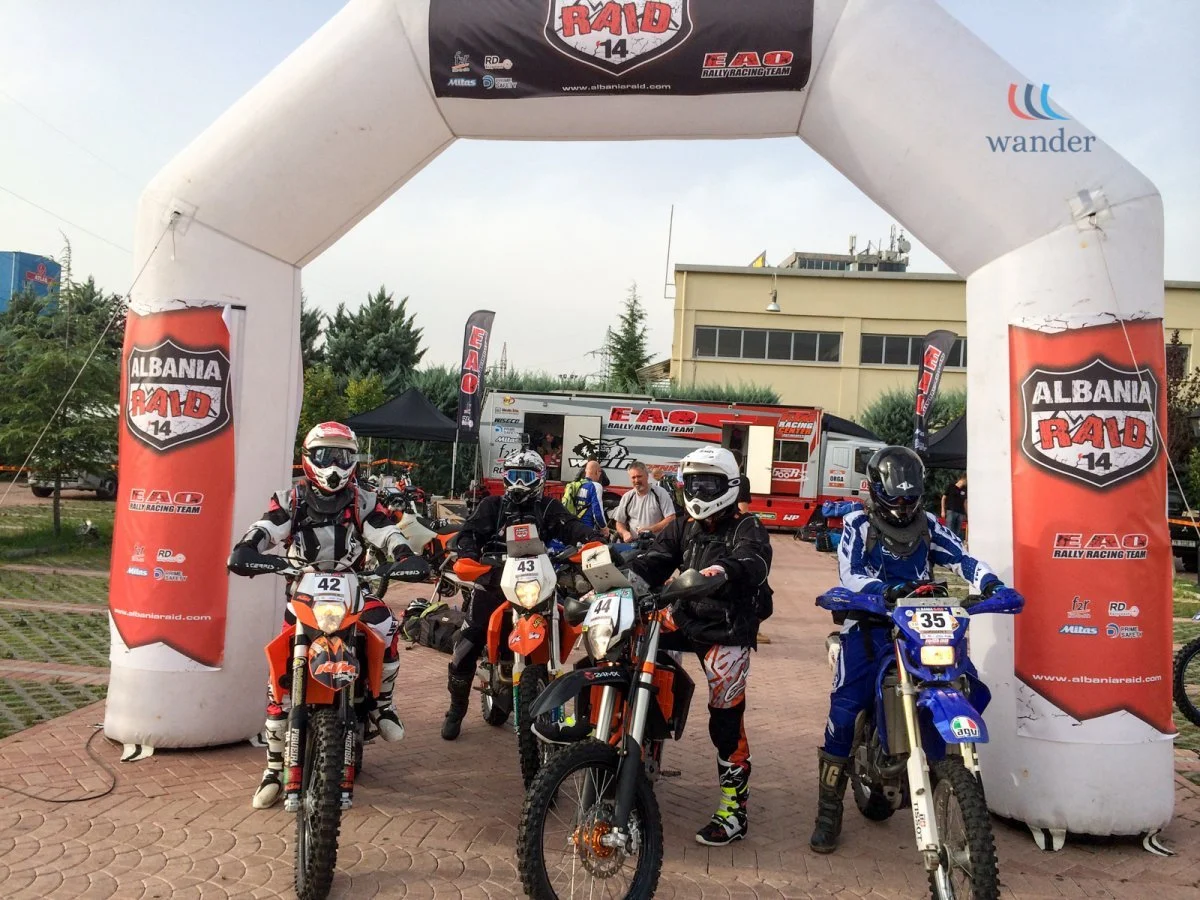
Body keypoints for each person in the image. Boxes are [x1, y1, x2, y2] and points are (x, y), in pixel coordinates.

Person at [810, 446, 1017, 854]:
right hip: (870, 626)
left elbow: (964, 559)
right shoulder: (857, 523)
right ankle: (827, 810)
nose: (904, 507)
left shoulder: (931, 525)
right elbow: (851, 574)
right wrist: (884, 591)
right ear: (875, 490)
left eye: (911, 498)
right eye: (896, 498)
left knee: (969, 683)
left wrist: (990, 584)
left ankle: (942, 762)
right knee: (845, 711)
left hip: (923, 626)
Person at [227, 422, 419, 810]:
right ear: (308, 458)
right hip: (303, 593)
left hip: (353, 587)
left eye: (342, 456)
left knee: (387, 626)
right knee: (278, 668)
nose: (334, 464)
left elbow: (385, 531)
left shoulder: (364, 499)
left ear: (354, 461)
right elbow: (265, 528)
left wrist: (403, 556)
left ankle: (382, 703)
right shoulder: (291, 499)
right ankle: (273, 767)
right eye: (324, 455)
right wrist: (250, 548)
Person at [624, 446, 772, 846]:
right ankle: (641, 747)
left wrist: (725, 569)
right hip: (684, 613)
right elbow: (653, 561)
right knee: (627, 646)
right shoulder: (684, 524)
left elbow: (755, 563)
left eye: (708, 483)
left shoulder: (748, 526)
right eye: (693, 483)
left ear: (729, 486)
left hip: (727, 626)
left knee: (725, 716)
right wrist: (616, 576)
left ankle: (734, 809)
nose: (699, 491)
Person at [440, 449, 601, 740]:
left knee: (570, 619)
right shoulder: (493, 505)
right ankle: (456, 708)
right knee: (468, 641)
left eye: (525, 476)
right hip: (494, 581)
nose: (519, 483)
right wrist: (468, 554)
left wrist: (591, 540)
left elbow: (572, 526)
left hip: (538, 583)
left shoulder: (548, 508)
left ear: (539, 478)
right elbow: (470, 532)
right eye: (513, 475)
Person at [611, 460, 676, 542]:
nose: (636, 480)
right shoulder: (627, 497)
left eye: (639, 476)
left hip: (656, 543)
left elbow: (671, 518)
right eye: (633, 477)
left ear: (647, 476)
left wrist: (651, 529)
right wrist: (624, 533)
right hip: (634, 544)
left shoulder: (660, 493)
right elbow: (619, 522)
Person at [575, 459, 609, 537]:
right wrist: (604, 528)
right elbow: (597, 512)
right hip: (587, 529)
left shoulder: (577, 485)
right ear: (597, 472)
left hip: (574, 527)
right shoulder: (596, 486)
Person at [941, 473, 967, 540]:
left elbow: (965, 502)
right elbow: (943, 498)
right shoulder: (951, 486)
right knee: (949, 529)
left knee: (958, 532)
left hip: (961, 513)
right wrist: (943, 510)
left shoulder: (965, 489)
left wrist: (966, 513)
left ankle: (957, 545)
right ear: (963, 479)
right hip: (951, 511)